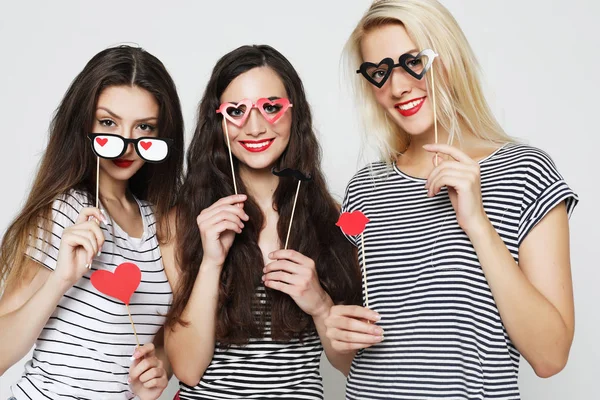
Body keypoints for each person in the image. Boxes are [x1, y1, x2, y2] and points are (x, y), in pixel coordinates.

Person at [324, 1, 579, 399]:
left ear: (450, 58)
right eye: (379, 72)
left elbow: (551, 357)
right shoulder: (362, 188)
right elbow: (350, 360)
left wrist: (477, 223)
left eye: (413, 61)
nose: (397, 86)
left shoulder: (527, 170)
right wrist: (333, 327)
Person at [161, 44, 362, 399]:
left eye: (271, 108)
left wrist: (319, 303)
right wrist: (212, 262)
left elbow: (350, 367)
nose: (254, 127)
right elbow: (187, 370)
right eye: (237, 110)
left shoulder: (328, 214)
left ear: (294, 114)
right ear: (218, 120)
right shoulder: (183, 218)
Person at [0, 45, 185, 400]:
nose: (126, 144)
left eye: (144, 127)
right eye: (109, 122)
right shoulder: (64, 210)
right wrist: (60, 280)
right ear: (85, 124)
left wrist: (156, 373)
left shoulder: (161, 222)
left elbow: (160, 345)